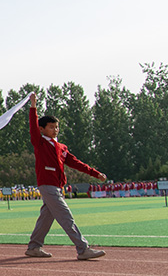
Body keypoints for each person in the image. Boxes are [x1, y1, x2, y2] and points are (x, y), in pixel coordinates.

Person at [24, 93, 107, 260]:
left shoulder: (61, 147)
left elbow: (75, 162)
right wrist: (33, 106)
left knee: (46, 218)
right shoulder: (40, 142)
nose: (55, 130)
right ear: (42, 129)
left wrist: (95, 173)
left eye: (57, 127)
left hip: (57, 186)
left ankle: (34, 246)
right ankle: (83, 249)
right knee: (66, 216)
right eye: (51, 127)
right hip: (47, 185)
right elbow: (33, 126)